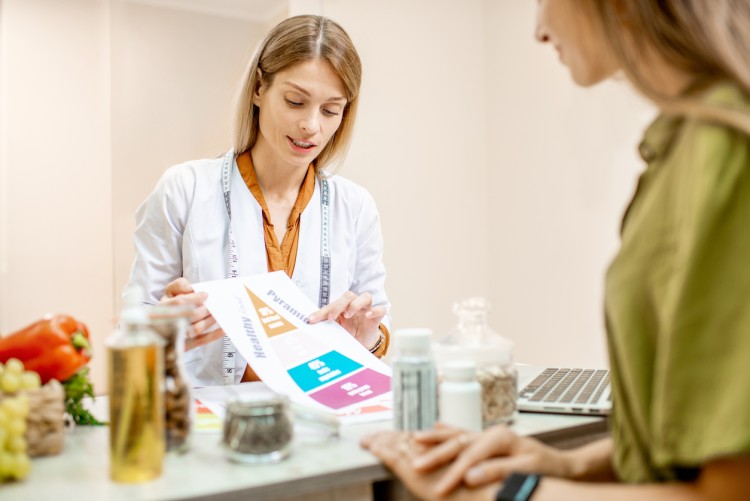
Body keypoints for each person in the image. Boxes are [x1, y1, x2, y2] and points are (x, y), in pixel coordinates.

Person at [362, 0, 750, 499]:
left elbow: (729, 488)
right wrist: (561, 463)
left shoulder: (727, 148)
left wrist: (493, 493)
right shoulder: (682, 147)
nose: (540, 31)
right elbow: (681, 448)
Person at [127, 15, 390, 386]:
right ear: (258, 88)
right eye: (295, 101)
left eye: (331, 110)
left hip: (315, 419)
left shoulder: (355, 207)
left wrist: (367, 336)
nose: (311, 126)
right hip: (211, 425)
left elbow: (379, 323)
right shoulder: (183, 189)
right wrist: (162, 329)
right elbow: (133, 324)